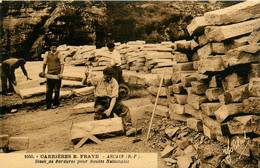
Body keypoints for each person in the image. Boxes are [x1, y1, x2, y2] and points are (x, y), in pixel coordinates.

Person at [82, 67, 136, 136]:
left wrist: (109, 110)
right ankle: (98, 131)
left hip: (112, 101)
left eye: (111, 77)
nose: (109, 78)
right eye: (108, 77)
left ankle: (129, 128)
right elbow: (85, 83)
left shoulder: (114, 82)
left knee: (124, 109)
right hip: (101, 101)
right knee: (100, 114)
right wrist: (86, 76)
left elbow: (114, 97)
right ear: (104, 74)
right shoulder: (98, 79)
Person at [39, 43, 64, 109]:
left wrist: (61, 73)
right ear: (50, 48)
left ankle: (56, 104)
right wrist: (43, 71)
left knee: (56, 89)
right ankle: (48, 105)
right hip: (49, 74)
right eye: (52, 47)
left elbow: (62, 65)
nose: (54, 48)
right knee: (49, 90)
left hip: (57, 74)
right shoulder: (47, 54)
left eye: (55, 47)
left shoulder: (59, 54)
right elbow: (44, 63)